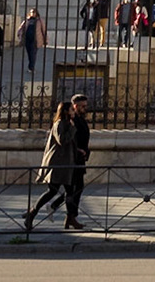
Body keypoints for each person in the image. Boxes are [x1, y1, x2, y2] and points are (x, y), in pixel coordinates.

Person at [27, 95, 90, 230]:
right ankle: (32, 213)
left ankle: (70, 218)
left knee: (70, 191)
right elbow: (63, 140)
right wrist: (73, 129)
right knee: (53, 190)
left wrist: (82, 152)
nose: (74, 112)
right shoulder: (60, 124)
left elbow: (74, 143)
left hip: (69, 163)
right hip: (60, 164)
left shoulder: (69, 122)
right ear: (68, 110)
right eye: (72, 110)